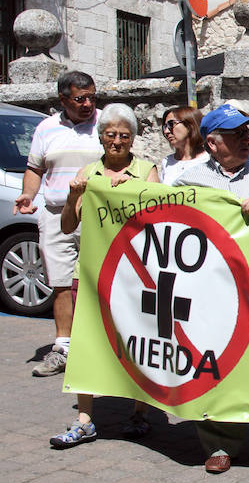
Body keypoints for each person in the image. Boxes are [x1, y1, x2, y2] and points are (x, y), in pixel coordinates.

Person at [174, 104, 249, 473]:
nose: (246, 139)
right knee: (214, 363)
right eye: (235, 135)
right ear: (212, 144)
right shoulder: (188, 181)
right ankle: (219, 443)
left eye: (247, 133)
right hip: (210, 291)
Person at [49, 103, 159, 447]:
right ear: (101, 137)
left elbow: (160, 219)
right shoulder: (88, 173)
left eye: (124, 135)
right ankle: (84, 418)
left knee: (140, 340)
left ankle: (141, 412)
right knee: (87, 343)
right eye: (110, 134)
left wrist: (135, 191)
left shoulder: (146, 170)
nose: (117, 141)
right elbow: (68, 226)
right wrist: (73, 197)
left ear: (132, 139)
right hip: (94, 272)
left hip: (137, 275)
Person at [16, 71, 104, 377]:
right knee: (62, 283)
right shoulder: (46, 128)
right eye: (80, 98)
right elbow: (34, 168)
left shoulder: (106, 124)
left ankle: (102, 347)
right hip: (56, 214)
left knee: (102, 281)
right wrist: (28, 195)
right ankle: (64, 348)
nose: (88, 104)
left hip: (99, 215)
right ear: (63, 99)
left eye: (92, 96)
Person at [159, 106, 209, 185]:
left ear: (190, 125)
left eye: (171, 124)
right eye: (164, 127)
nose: (166, 131)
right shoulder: (167, 162)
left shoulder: (209, 160)